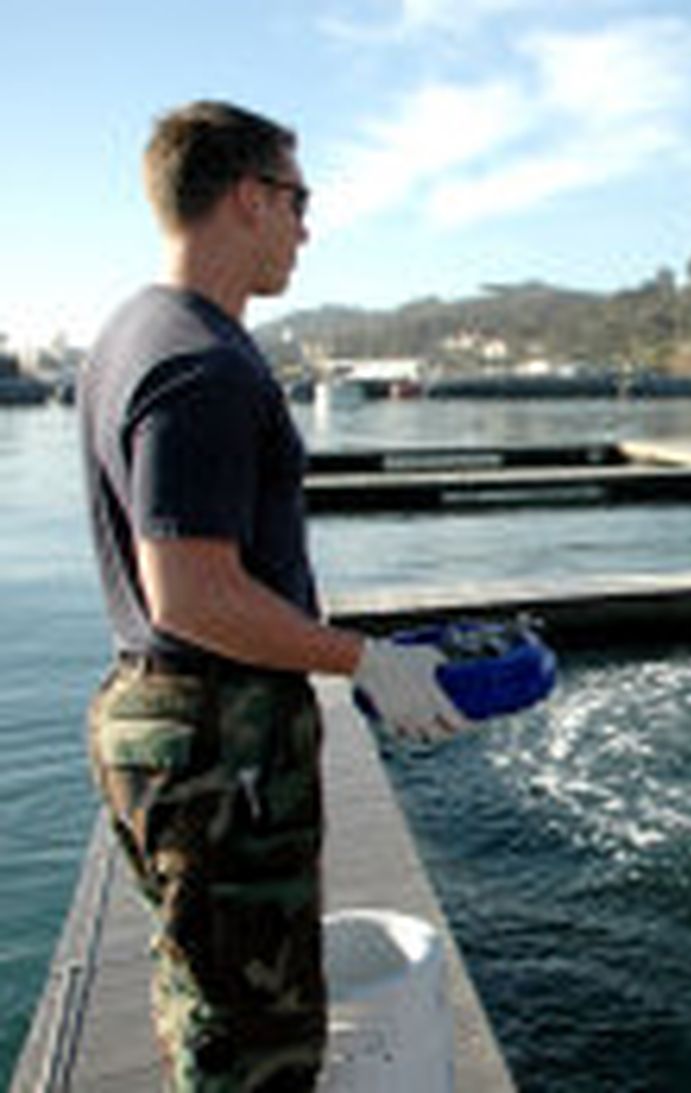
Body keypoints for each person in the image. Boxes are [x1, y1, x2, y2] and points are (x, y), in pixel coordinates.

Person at [78, 100, 471, 1091]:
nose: (307, 225)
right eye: (299, 200)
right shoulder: (200, 364)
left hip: (171, 723)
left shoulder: (133, 329)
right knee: (260, 1040)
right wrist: (365, 659)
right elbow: (193, 593)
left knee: (206, 999)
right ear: (248, 198)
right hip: (218, 741)